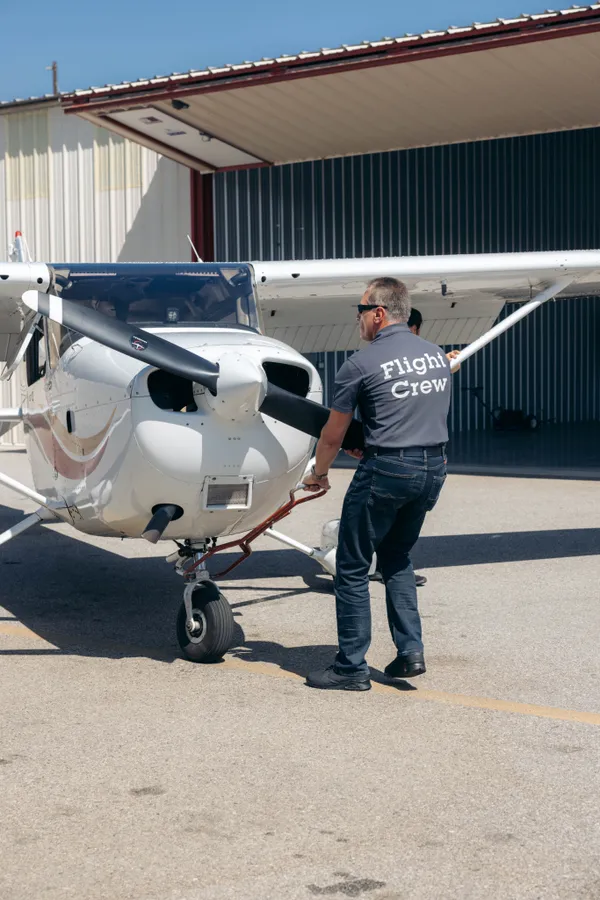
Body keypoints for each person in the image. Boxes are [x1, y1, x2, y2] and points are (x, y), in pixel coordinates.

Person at [302, 279, 452, 691]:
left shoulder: (360, 364)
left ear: (379, 313)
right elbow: (410, 412)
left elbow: (332, 436)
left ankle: (350, 668)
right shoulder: (436, 356)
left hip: (387, 470)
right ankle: (410, 652)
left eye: (361, 309)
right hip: (433, 467)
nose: (358, 318)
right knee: (397, 558)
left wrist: (319, 473)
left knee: (351, 566)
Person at [368, 306, 459, 587]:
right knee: (391, 525)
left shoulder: (377, 357)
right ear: (416, 328)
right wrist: (442, 364)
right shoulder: (421, 356)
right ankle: (381, 568)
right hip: (414, 458)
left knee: (384, 521)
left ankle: (379, 568)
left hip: (391, 455)